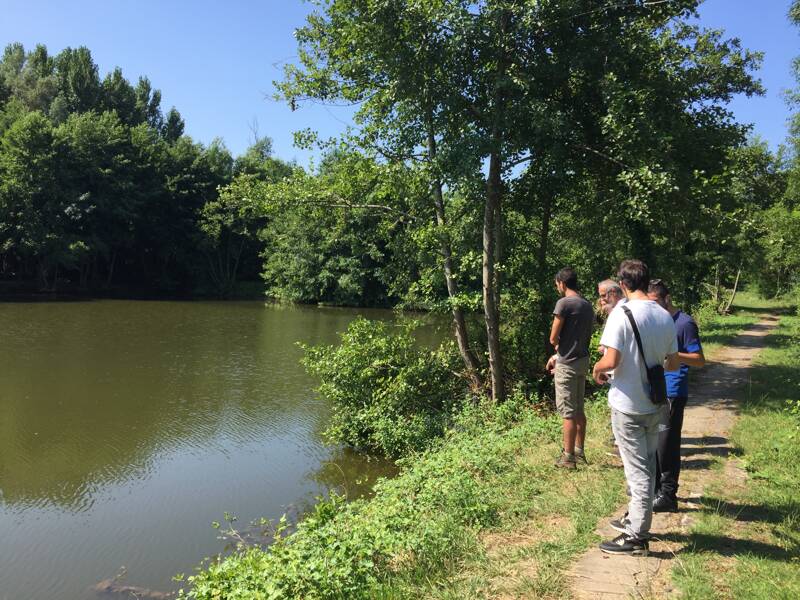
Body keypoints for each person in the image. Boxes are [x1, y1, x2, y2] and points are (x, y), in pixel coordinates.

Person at [592, 259, 680, 555]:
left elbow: (611, 361)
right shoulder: (664, 315)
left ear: (624, 284)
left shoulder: (621, 313)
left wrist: (596, 369)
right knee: (649, 466)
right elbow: (672, 362)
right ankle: (635, 518)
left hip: (628, 405)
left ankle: (636, 537)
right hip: (655, 402)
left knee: (637, 471)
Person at [647, 279, 705, 512]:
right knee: (654, 444)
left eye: (655, 302)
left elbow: (699, 360)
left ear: (667, 298)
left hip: (673, 390)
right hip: (655, 389)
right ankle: (655, 491)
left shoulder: (684, 323)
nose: (651, 307)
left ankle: (668, 495)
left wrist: (674, 355)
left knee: (667, 445)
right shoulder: (654, 322)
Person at [546, 267, 595, 469]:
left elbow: (553, 337)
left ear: (562, 283)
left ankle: (568, 458)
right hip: (583, 361)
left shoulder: (564, 303)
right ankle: (579, 451)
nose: (558, 287)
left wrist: (558, 349)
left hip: (567, 364)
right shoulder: (587, 305)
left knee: (567, 412)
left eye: (558, 284)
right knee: (578, 408)